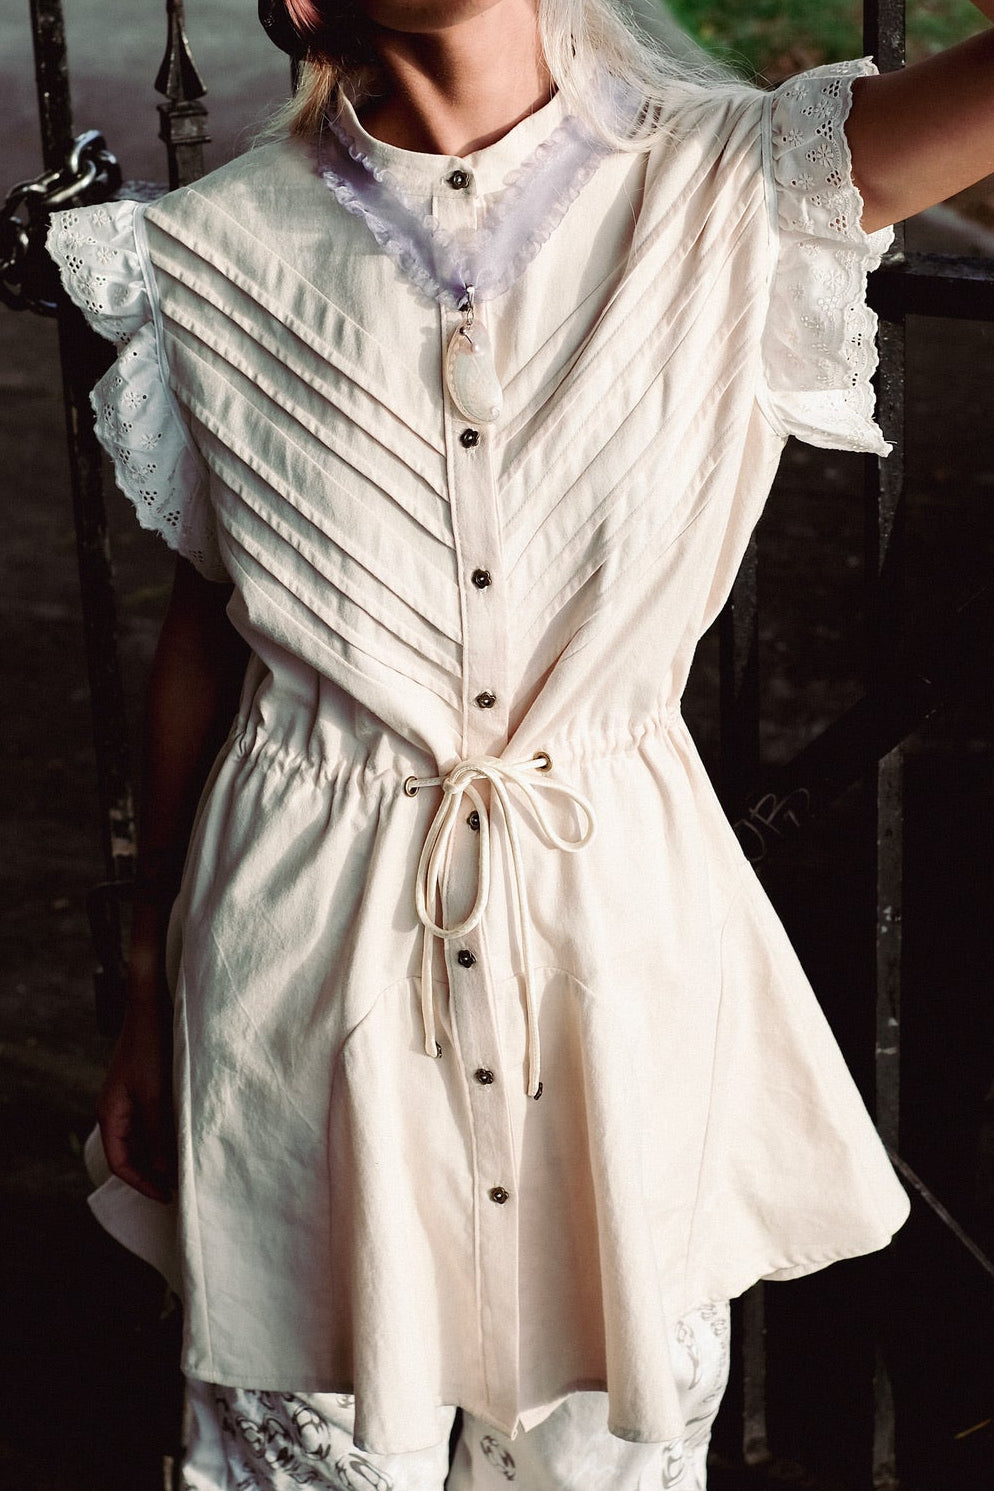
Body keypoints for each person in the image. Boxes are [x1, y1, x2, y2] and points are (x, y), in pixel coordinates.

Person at [46, 0, 994, 1485]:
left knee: (608, 1455)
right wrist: (151, 980)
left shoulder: (737, 181)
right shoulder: (205, 257)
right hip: (305, 957)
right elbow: (208, 634)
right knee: (317, 1450)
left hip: (615, 952)